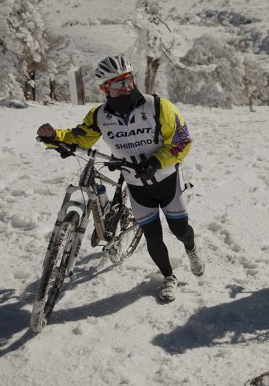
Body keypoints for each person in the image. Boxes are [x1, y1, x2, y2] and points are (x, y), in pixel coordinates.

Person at [37, 55, 204, 303]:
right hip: (137, 188)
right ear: (105, 89)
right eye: (117, 84)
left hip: (168, 182)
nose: (125, 87)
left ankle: (191, 249)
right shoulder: (99, 116)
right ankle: (169, 277)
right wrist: (54, 138)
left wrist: (157, 161)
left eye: (127, 80)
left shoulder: (159, 107)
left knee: (181, 231)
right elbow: (79, 137)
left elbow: (182, 142)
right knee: (153, 238)